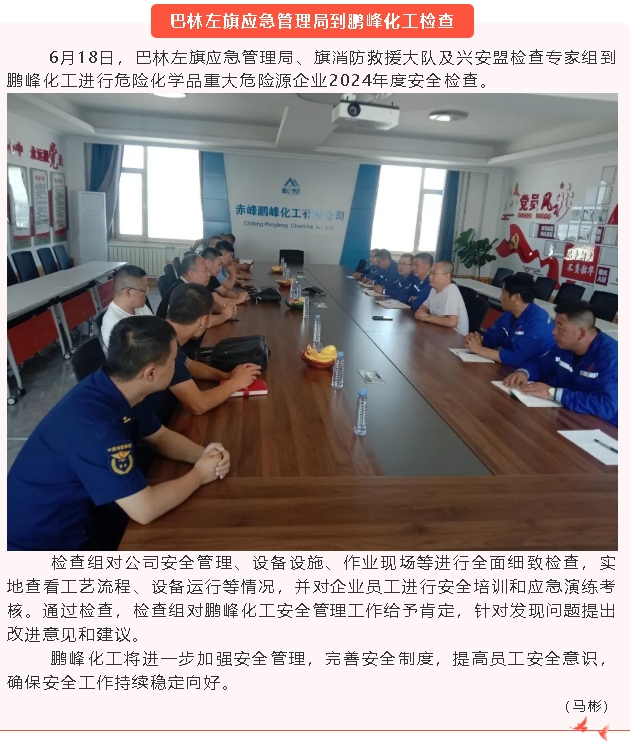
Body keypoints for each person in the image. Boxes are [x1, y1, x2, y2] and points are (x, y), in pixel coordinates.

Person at [7, 316, 231, 551]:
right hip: (38, 545)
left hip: (81, 517)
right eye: (174, 360)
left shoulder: (117, 386)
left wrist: (204, 455)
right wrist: (200, 474)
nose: (178, 365)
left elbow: (159, 437)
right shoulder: (96, 427)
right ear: (151, 373)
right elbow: (145, 509)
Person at [146, 283, 261, 421]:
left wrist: (226, 376)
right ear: (204, 321)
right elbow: (198, 405)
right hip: (160, 422)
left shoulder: (161, 331)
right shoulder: (166, 349)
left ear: (170, 307)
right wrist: (236, 382)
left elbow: (189, 364)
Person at [503, 301, 618, 425]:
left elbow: (606, 407)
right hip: (567, 414)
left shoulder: (612, 357)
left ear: (581, 333)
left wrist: (553, 393)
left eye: (560, 328)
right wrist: (524, 373)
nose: (553, 332)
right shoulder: (564, 346)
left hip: (604, 427)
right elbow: (541, 363)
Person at [464, 273, 555, 365]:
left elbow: (517, 359)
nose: (500, 297)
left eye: (503, 293)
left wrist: (479, 349)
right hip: (512, 368)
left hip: (537, 371)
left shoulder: (538, 323)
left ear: (516, 298)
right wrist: (478, 340)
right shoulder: (509, 313)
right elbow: (493, 336)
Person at [157, 253, 236, 323]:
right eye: (205, 270)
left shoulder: (189, 287)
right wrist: (225, 316)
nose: (208, 274)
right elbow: (203, 323)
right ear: (192, 274)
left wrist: (223, 310)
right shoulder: (184, 293)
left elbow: (203, 309)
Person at [100, 265, 153, 349]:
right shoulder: (115, 326)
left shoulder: (139, 306)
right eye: (143, 289)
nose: (146, 293)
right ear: (128, 292)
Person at [415, 260, 469, 335]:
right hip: (440, 331)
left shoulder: (451, 290)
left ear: (447, 276)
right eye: (430, 273)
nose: (430, 276)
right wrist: (421, 312)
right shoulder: (434, 289)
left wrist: (427, 317)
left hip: (455, 337)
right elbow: (425, 306)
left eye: (434, 273)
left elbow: (452, 322)